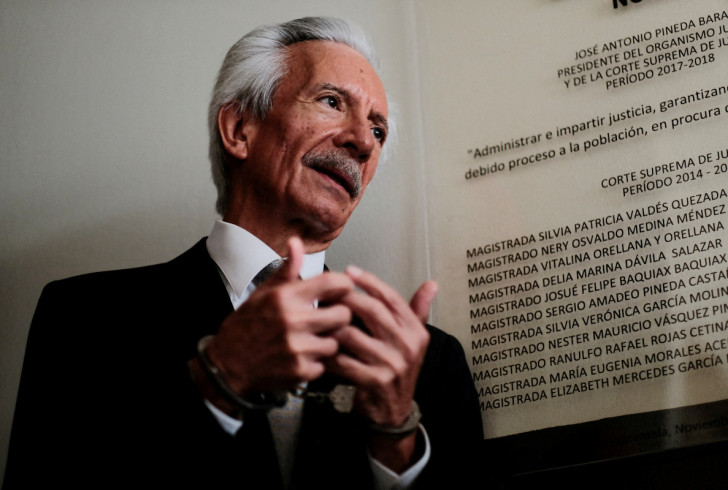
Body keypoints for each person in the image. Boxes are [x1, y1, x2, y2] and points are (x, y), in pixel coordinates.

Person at [4, 17, 483, 490]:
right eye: (332, 101)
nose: (361, 142)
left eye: (378, 131)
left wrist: (396, 441)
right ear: (238, 129)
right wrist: (217, 384)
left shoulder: (427, 363)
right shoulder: (84, 318)